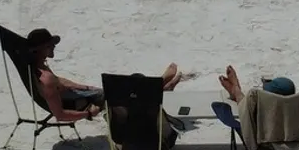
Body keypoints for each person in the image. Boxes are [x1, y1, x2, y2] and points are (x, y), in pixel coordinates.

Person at [27, 28, 183, 124]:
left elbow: (59, 81)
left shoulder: (39, 67)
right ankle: (161, 85)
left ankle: (160, 86)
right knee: (130, 94)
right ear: (41, 48)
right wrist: (88, 113)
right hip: (79, 103)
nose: (54, 46)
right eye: (50, 45)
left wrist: (83, 87)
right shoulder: (46, 80)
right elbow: (59, 115)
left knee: (125, 88)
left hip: (79, 94)